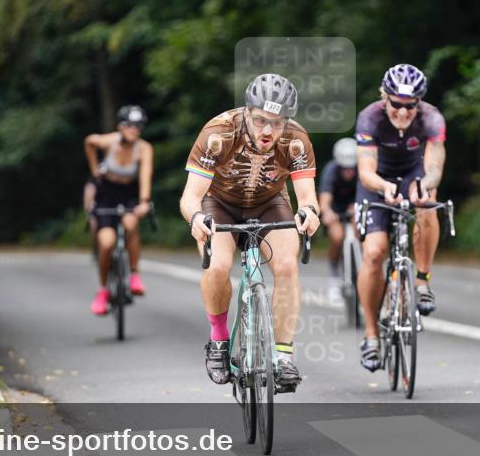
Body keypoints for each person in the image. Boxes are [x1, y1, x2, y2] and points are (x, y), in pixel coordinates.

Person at [179, 74, 320, 392]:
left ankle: (283, 356)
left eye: (277, 122)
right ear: (246, 112)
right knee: (218, 266)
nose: (268, 131)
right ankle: (218, 340)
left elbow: (307, 197)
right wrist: (197, 217)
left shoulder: (296, 139)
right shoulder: (218, 133)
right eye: (260, 121)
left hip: (270, 202)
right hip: (220, 203)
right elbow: (190, 196)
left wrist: (309, 212)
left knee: (286, 265)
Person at [354, 63, 446, 372]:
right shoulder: (370, 117)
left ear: (419, 103)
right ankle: (370, 335)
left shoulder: (432, 118)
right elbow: (366, 171)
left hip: (412, 173)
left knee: (427, 203)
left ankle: (422, 282)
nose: (403, 112)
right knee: (374, 252)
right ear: (384, 97)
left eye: (410, 106)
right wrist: (384, 187)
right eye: (396, 104)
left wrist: (426, 184)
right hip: (377, 180)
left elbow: (434, 165)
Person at [85, 105, 154, 315]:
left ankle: (134, 274)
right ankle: (103, 290)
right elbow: (89, 141)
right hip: (106, 194)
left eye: (138, 126)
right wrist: (95, 170)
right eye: (130, 126)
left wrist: (144, 201)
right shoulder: (109, 142)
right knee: (106, 243)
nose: (134, 130)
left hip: (129, 194)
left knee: (131, 223)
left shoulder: (143, 148)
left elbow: (145, 176)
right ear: (121, 127)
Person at [318, 138, 359, 297]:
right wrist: (327, 212)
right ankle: (335, 276)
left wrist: (356, 206)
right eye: (345, 168)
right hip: (335, 210)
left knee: (361, 233)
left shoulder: (362, 169)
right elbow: (325, 198)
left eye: (352, 168)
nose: (349, 172)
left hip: (355, 207)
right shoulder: (331, 170)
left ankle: (361, 268)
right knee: (337, 237)